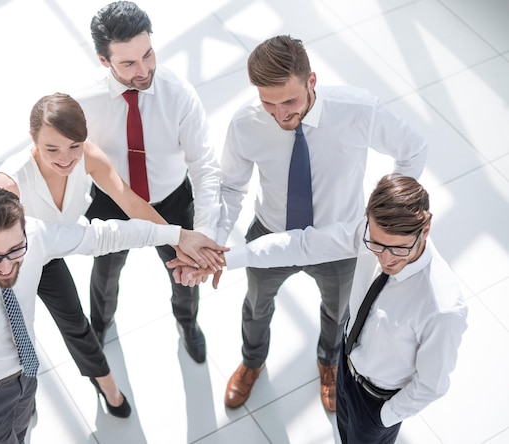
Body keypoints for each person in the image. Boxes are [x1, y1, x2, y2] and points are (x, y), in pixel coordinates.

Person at [213, 35, 428, 411]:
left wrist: (388, 218)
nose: (280, 114)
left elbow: (413, 149)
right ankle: (252, 361)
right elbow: (231, 187)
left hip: (339, 241)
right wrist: (214, 240)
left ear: (311, 81)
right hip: (270, 232)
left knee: (337, 311)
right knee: (256, 305)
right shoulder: (246, 124)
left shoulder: (358, 111)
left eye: (289, 101)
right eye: (268, 102)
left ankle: (329, 363)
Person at [172, 174, 468, 443]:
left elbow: (432, 384)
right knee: (341, 434)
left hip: (379, 402)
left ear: (426, 228)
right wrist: (223, 259)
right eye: (377, 245)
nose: (385, 259)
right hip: (345, 366)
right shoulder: (368, 234)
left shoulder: (441, 308)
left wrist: (383, 417)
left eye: (399, 248)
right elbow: (302, 245)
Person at [0, 186, 221, 444]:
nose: (6, 266)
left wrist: (176, 236)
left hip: (27, 372)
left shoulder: (35, 235)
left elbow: (103, 236)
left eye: (16, 250)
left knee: (21, 433)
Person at [0, 92, 218, 416]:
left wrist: (182, 242)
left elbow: (133, 205)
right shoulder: (8, 185)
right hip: (12, 265)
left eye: (74, 145)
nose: (66, 158)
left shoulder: (89, 157)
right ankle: (21, 395)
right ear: (33, 139)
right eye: (51, 148)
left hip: (51, 255)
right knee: (15, 331)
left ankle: (106, 384)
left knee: (74, 323)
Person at [76, 1, 222, 363]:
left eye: (148, 54)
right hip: (112, 200)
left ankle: (188, 323)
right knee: (105, 274)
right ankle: (100, 325)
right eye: (128, 63)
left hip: (171, 200)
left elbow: (204, 165)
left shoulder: (179, 94)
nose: (144, 70)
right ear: (103, 60)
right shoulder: (83, 101)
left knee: (185, 273)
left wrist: (203, 232)